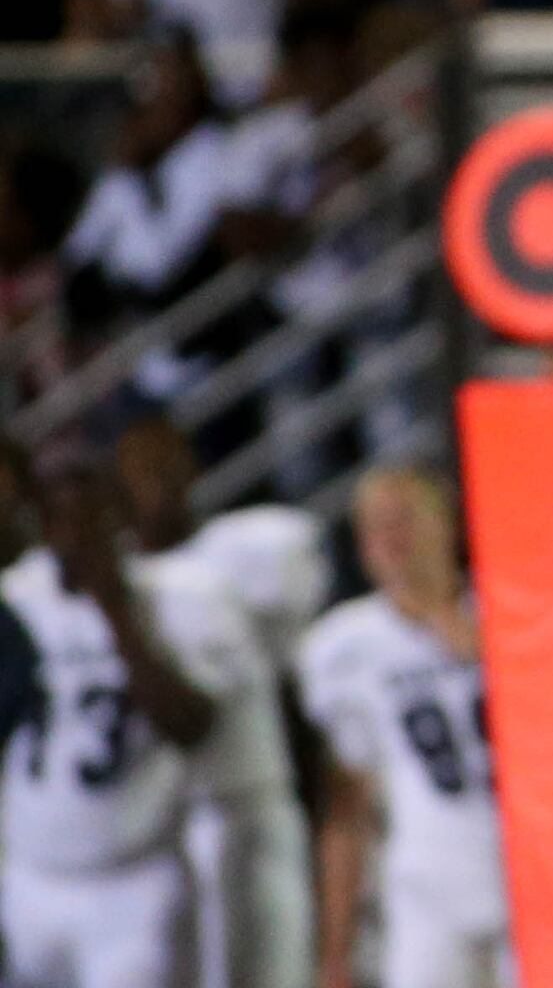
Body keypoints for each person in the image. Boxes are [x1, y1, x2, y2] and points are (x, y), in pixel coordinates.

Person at [0, 450, 247, 988]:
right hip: (31, 879)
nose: (75, 534)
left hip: (136, 883)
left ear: (118, 518)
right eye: (60, 518)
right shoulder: (16, 601)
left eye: (91, 517)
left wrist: (115, 612)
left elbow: (192, 725)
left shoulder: (175, 595)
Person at [111, 410, 325, 988]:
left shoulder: (244, 554)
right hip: (152, 827)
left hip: (250, 802)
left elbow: (293, 688)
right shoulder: (112, 580)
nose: (156, 481)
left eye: (167, 464)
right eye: (140, 469)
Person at [298, 466, 504, 988]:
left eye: (404, 520)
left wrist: (449, 623)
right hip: (429, 886)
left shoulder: (509, 609)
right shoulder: (344, 646)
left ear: (449, 523)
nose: (391, 540)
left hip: (533, 874)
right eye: (375, 526)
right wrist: (335, 948)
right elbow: (348, 809)